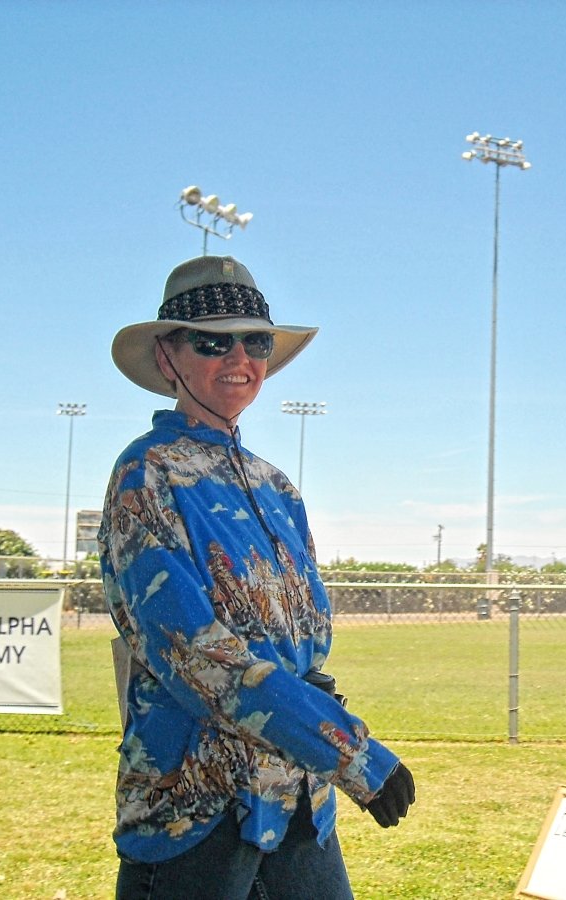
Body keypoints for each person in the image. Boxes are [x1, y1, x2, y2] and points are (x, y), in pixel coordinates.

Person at [99, 255, 415, 899]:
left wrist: (312, 711)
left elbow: (306, 638)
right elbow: (196, 654)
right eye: (214, 341)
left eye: (256, 341)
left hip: (297, 799)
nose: (238, 357)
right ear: (168, 357)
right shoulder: (147, 473)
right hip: (193, 808)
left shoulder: (279, 487)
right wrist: (351, 752)